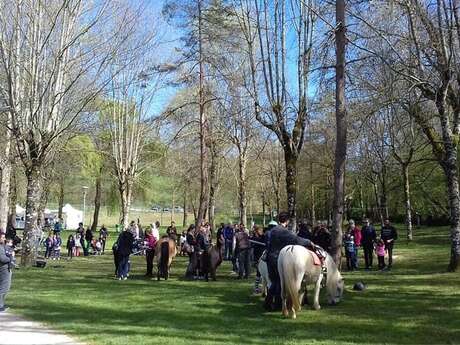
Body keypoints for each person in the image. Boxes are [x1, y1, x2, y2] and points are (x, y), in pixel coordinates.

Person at [265, 212, 320, 311]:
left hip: (270, 258)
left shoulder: (273, 230)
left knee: (274, 281)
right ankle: (277, 305)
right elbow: (296, 240)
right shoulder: (284, 231)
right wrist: (309, 242)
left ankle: (268, 303)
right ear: (286, 221)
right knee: (280, 282)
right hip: (278, 258)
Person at [0, 232, 14, 312]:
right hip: (3, 269)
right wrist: (11, 258)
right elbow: (2, 259)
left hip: (5, 268)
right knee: (4, 288)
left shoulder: (2, 247)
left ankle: (1, 303)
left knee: (3, 287)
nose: (4, 239)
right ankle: (0, 306)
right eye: (2, 237)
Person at [250, 226, 265, 293]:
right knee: (259, 273)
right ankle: (256, 288)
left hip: (262, 258)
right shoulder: (256, 238)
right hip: (259, 258)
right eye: (259, 231)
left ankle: (261, 288)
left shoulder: (262, 238)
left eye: (260, 231)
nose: (260, 232)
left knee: (261, 274)